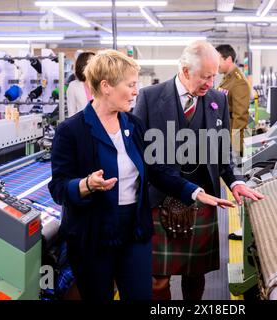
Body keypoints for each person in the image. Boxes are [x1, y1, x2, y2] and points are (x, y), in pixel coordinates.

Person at [48, 49, 233, 301]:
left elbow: (155, 169)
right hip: (93, 234)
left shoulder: (132, 126)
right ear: (106, 87)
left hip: (135, 230)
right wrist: (86, 185)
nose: (137, 91)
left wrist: (194, 191)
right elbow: (58, 188)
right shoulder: (71, 131)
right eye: (131, 84)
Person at [133, 40, 264, 300]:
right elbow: (140, 154)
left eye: (214, 76)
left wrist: (236, 182)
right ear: (184, 70)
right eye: (205, 77)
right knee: (157, 281)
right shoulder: (150, 97)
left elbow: (223, 151)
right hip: (159, 198)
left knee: (196, 275)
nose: (210, 83)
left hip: (204, 198)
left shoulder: (217, 100)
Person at [216, 44, 251, 157]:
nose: (216, 64)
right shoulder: (227, 78)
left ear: (229, 59)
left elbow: (240, 117)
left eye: (218, 60)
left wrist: (233, 148)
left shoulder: (238, 82)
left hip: (231, 139)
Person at [66, 51, 95, 118]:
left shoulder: (100, 84)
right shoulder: (73, 86)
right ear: (83, 65)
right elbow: (71, 113)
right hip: (81, 126)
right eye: (92, 62)